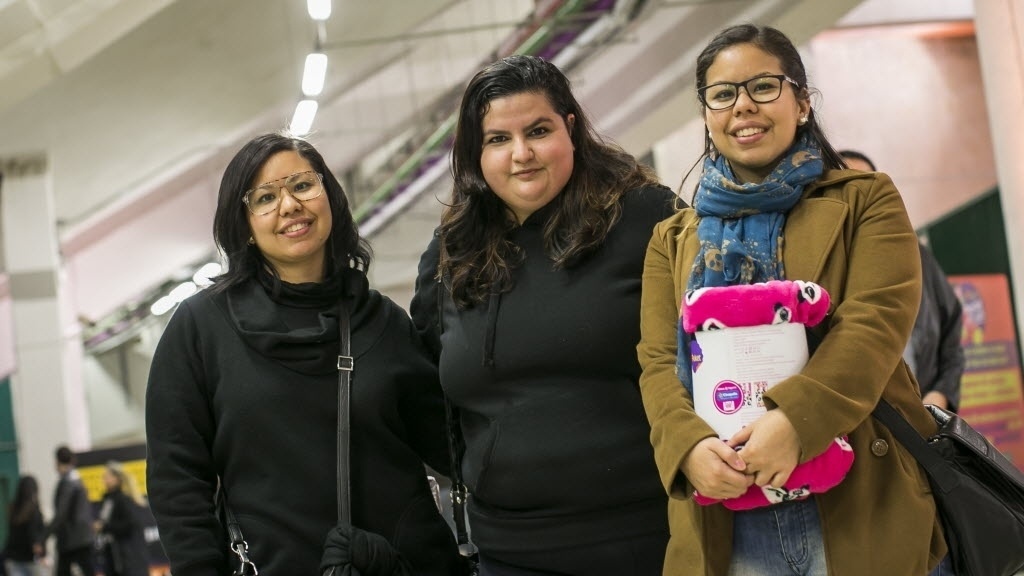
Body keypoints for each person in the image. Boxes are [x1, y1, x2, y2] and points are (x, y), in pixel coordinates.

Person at [637, 24, 952, 575]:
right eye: (722, 94)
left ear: (802, 102)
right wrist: (686, 448)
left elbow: (873, 326)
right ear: (707, 114)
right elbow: (659, 360)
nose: (742, 107)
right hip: (727, 512)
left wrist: (794, 423)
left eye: (763, 87)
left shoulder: (867, 200)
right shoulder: (673, 238)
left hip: (858, 493)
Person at [145, 132, 462, 575]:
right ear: (245, 227)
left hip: (400, 564)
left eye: (302, 185)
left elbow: (454, 445)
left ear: (328, 195)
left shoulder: (382, 322)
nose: (290, 205)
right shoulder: (201, 328)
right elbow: (177, 479)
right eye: (264, 198)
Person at [410, 54, 678, 575]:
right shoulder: (451, 254)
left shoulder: (646, 217)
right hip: (508, 551)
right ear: (475, 153)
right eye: (497, 140)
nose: (522, 154)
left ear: (571, 129)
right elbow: (427, 393)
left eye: (538, 130)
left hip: (650, 537)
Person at [839, 149, 965, 412]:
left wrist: (941, 394)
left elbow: (952, 333)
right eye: (844, 186)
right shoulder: (822, 264)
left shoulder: (915, 253)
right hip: (855, 424)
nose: (857, 198)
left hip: (920, 419)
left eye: (865, 185)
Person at [37, 446, 95, 576]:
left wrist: (43, 537)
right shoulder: (77, 479)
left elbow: (61, 513)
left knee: (66, 571)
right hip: (83, 536)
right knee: (87, 569)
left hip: (71, 539)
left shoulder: (67, 483)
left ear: (57, 461)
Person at [94, 462, 149, 576]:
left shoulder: (123, 499)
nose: (104, 479)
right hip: (112, 554)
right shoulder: (107, 499)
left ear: (117, 478)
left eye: (107, 476)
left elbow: (129, 525)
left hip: (127, 556)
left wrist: (104, 527)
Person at [3, 475, 45, 576]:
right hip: (30, 559)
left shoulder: (13, 510)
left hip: (12, 557)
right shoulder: (33, 511)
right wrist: (42, 555)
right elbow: (34, 536)